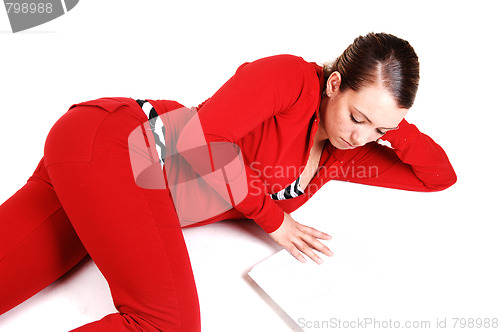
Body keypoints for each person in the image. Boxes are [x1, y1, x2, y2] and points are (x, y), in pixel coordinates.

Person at [0, 32, 457, 331]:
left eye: (377, 131)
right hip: (118, 143)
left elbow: (438, 177)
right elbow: (204, 139)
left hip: (102, 194)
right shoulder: (290, 78)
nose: (360, 137)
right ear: (335, 83)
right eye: (358, 117)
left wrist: (393, 124)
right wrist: (272, 218)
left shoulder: (341, 154)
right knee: (167, 323)